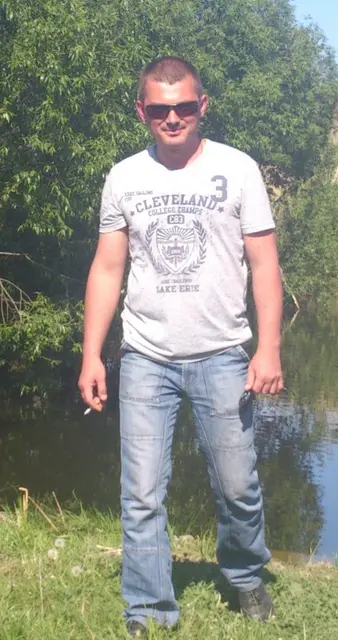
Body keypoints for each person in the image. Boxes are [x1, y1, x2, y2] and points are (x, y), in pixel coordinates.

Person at [78, 56, 284, 637]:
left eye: (185, 107)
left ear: (202, 106)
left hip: (223, 353)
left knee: (238, 485)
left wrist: (268, 348)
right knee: (141, 493)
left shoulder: (238, 170)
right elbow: (107, 269)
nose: (173, 118)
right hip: (145, 357)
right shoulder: (124, 177)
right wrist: (92, 354)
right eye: (160, 109)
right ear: (141, 111)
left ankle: (245, 576)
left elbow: (264, 265)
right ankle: (148, 608)